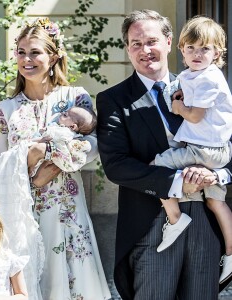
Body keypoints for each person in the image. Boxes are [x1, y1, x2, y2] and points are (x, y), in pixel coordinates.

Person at [96, 9, 232, 300]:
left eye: (151, 41)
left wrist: (218, 174)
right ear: (128, 48)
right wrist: (175, 182)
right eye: (136, 43)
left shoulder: (203, 83)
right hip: (153, 222)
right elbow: (117, 166)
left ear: (170, 43)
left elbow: (225, 141)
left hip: (206, 223)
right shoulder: (113, 99)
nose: (144, 50)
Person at [0, 17, 111, 300]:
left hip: (68, 213)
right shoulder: (5, 110)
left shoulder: (75, 98)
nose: (26, 59)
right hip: (23, 214)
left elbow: (93, 147)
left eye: (35, 52)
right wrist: (31, 167)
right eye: (21, 52)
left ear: (54, 57)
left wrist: (52, 159)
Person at [149, 16, 232, 283]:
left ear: (217, 53)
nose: (197, 54)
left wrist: (178, 108)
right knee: (216, 201)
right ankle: (231, 251)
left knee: (157, 166)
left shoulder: (209, 77)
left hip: (205, 150)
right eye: (191, 48)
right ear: (181, 49)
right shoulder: (191, 75)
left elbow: (194, 116)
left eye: (205, 48)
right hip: (213, 149)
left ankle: (174, 218)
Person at [30, 106, 97, 175]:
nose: (62, 112)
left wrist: (46, 131)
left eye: (65, 115)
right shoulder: (62, 127)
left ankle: (31, 170)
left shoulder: (67, 133)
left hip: (42, 158)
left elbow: (56, 135)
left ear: (72, 126)